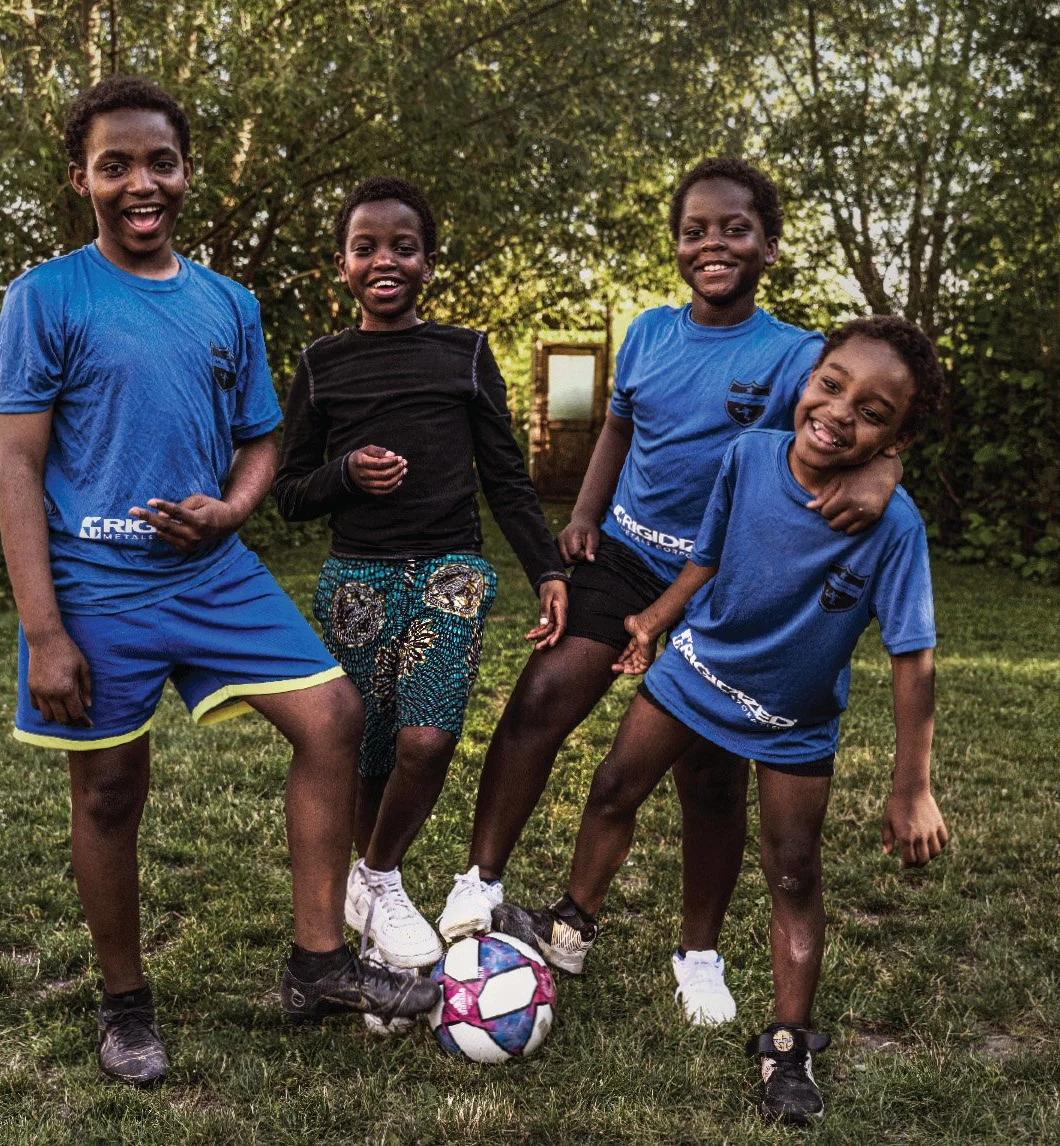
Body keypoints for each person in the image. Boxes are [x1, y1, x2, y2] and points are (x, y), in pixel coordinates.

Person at [0, 79, 437, 1087]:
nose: (140, 183)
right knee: (110, 790)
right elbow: (17, 467)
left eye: (159, 163)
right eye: (116, 165)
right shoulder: (47, 298)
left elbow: (261, 439)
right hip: (95, 583)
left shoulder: (227, 304)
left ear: (186, 172)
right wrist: (44, 631)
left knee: (332, 720)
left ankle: (319, 962)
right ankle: (126, 1002)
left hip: (214, 570)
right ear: (82, 179)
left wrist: (233, 511)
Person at [437, 157, 902, 1028]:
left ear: (767, 244)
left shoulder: (796, 352)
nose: (713, 243)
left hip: (722, 582)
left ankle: (698, 956)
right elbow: (619, 426)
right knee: (540, 697)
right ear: (677, 245)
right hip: (623, 556)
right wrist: (583, 513)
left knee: (710, 778)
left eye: (734, 229)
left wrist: (885, 467)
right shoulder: (649, 332)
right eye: (696, 230)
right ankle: (478, 883)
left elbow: (861, 407)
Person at [493, 315, 949, 1126]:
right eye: (832, 384)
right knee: (612, 789)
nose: (840, 411)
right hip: (694, 671)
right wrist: (652, 619)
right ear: (809, 378)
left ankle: (788, 1047)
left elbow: (912, 659)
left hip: (791, 723)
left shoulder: (893, 526)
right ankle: (571, 928)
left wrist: (911, 788)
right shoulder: (747, 458)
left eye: (874, 413)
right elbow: (704, 557)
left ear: (895, 439)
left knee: (793, 870)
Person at [273, 177, 569, 974]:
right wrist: (345, 473)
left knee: (428, 737)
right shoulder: (322, 364)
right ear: (342, 266)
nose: (384, 260)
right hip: (357, 581)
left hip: (451, 569)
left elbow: (506, 475)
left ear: (429, 264)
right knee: (369, 751)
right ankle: (373, 916)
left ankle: (377, 873)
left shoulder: (463, 353)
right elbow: (289, 492)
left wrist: (547, 567)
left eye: (403, 247)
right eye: (365, 247)